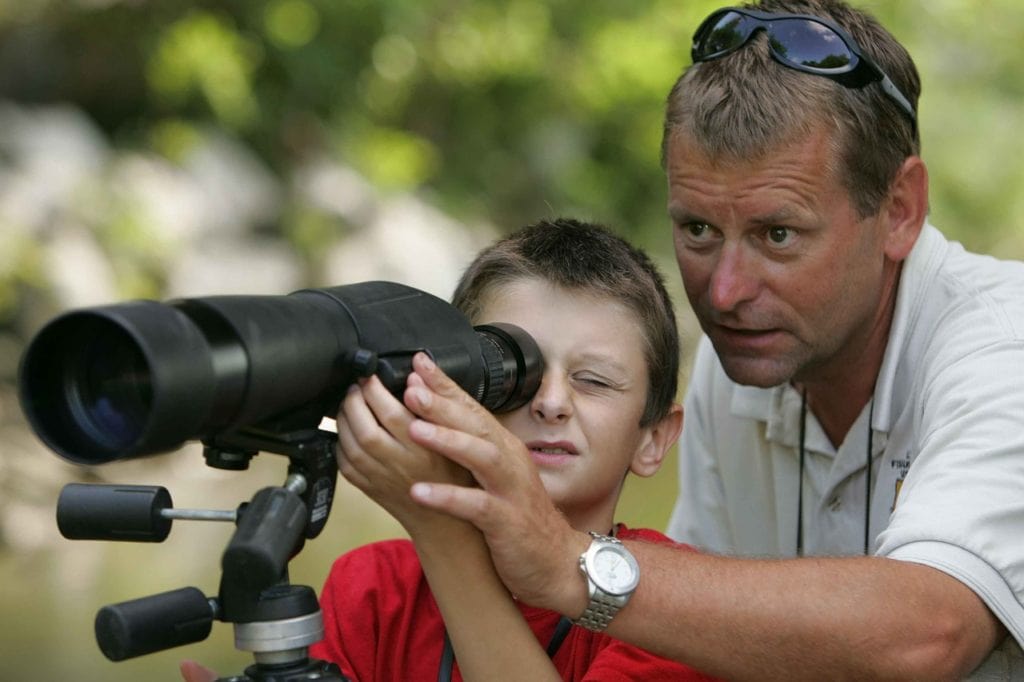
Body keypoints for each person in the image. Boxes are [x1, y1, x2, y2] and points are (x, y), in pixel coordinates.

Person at [356, 1, 1024, 680]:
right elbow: (695, 638)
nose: (725, 293)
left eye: (778, 235)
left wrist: (567, 565)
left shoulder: (1005, 349)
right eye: (698, 230)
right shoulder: (736, 369)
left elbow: (930, 634)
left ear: (900, 210)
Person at [183, 218, 721, 681]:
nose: (552, 403)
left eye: (595, 381)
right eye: (516, 375)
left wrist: (440, 527)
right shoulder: (372, 589)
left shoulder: (669, 604)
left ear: (653, 439)